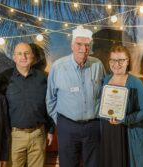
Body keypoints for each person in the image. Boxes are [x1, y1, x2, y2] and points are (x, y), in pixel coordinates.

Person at [46, 26, 105, 167]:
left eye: (87, 45)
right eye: (79, 44)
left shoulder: (98, 65)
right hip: (67, 126)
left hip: (93, 127)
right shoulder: (58, 67)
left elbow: (104, 94)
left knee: (94, 164)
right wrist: (61, 122)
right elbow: (50, 99)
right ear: (72, 45)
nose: (83, 49)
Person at [0, 42, 54, 167]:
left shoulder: (43, 78)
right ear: (14, 57)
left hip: (38, 134)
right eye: (19, 54)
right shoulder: (4, 78)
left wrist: (51, 130)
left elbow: (48, 105)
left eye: (27, 53)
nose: (23, 57)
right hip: (14, 136)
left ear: (32, 56)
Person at [100, 45, 143, 167]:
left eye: (121, 60)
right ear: (109, 62)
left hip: (128, 132)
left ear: (128, 61)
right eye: (113, 60)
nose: (117, 64)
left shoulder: (136, 82)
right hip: (109, 132)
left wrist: (125, 120)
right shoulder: (106, 79)